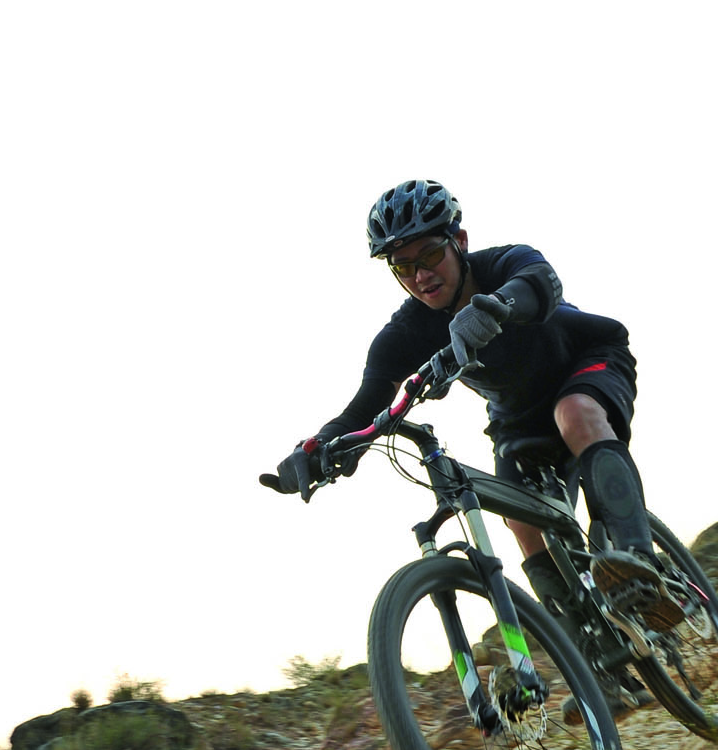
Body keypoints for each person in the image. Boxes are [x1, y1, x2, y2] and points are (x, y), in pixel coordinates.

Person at [261, 177, 681, 646]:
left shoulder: (506, 263)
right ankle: (595, 657)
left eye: (429, 255)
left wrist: (494, 307)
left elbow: (540, 283)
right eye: (403, 267)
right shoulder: (406, 332)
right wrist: (319, 447)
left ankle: (640, 563)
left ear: (459, 241)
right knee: (521, 522)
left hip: (588, 360)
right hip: (517, 417)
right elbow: (369, 400)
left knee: (576, 413)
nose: (420, 275)